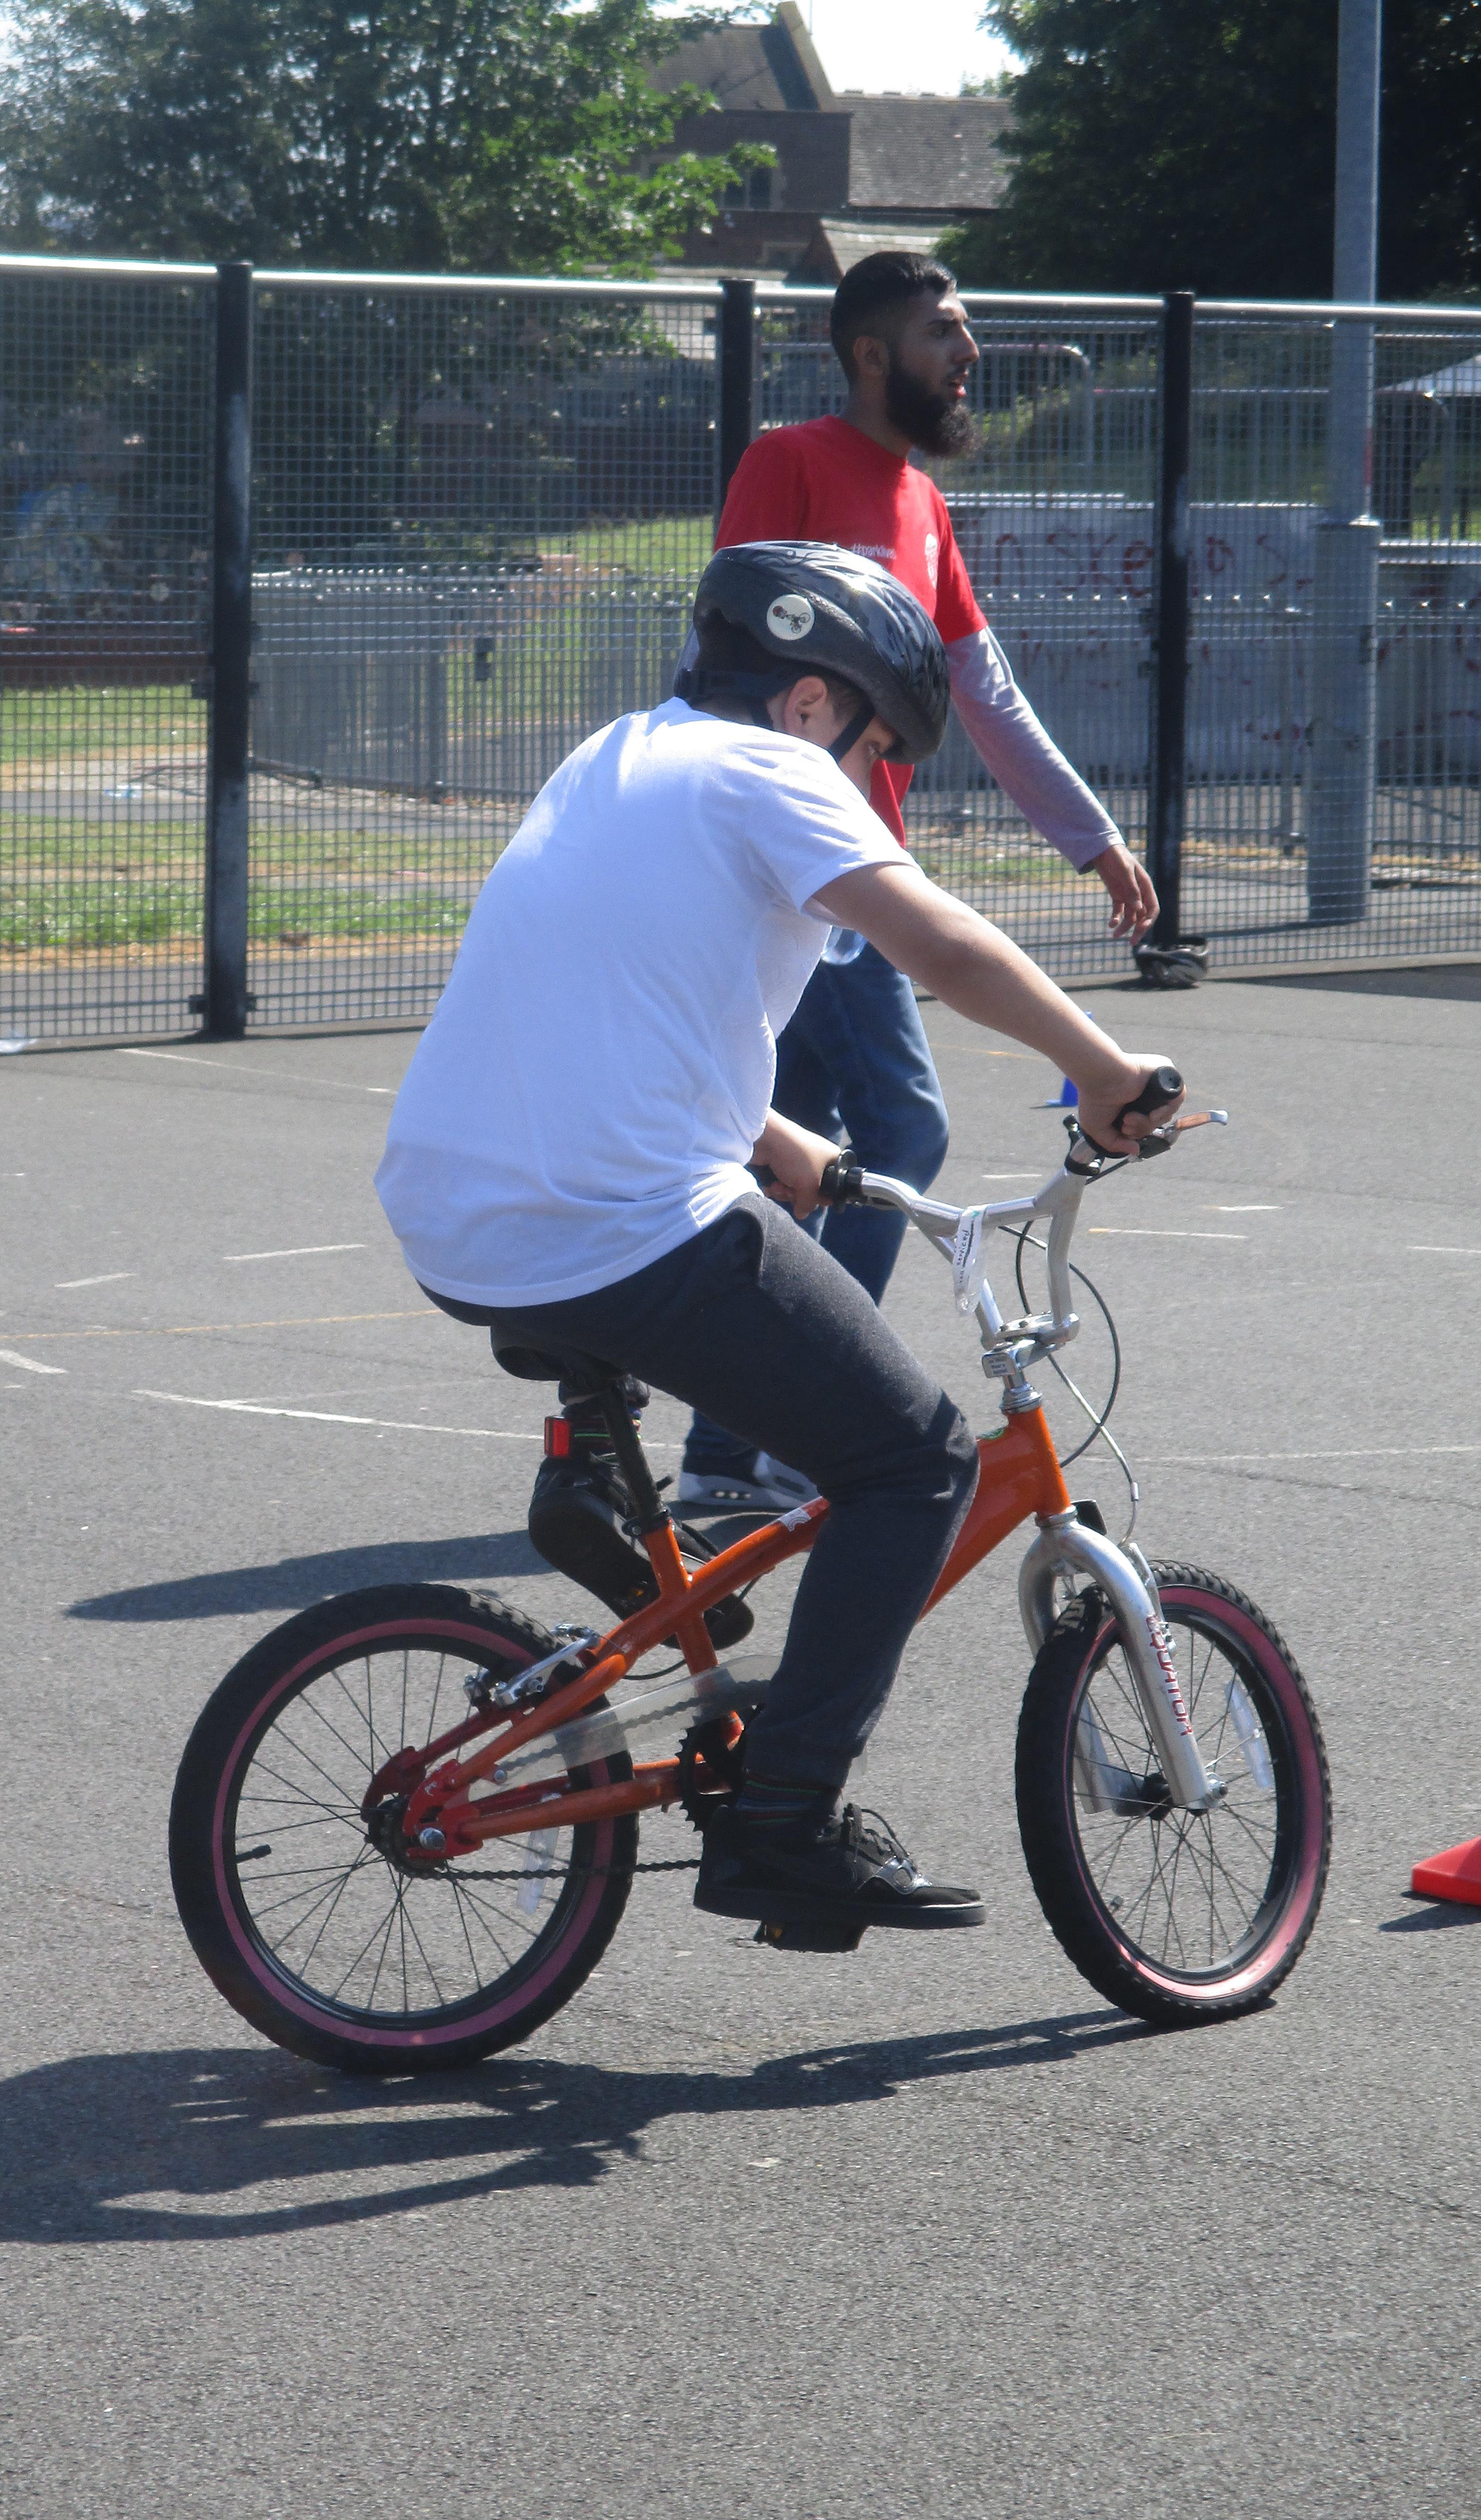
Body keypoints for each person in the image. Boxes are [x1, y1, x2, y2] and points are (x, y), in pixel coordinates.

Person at [375, 542, 1180, 1933]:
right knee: (915, 1463)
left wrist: (769, 1131)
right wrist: (1105, 1069)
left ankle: (594, 1475)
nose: (869, 783)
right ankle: (785, 1817)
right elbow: (942, 945)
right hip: (613, 1222)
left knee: (768, 1341)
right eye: (873, 750)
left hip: (456, 1209)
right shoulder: (770, 770)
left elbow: (614, 993)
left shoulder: (616, 755)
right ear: (810, 702)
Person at [673, 250, 1161, 1523]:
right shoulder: (789, 461)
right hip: (806, 870)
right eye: (946, 330)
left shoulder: (924, 506)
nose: (969, 352)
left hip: (849, 872)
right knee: (903, 1131)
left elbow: (983, 692)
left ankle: (724, 1447)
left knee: (795, 1151)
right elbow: (728, 652)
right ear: (871, 353)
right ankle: (808, 1413)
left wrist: (1091, 834)